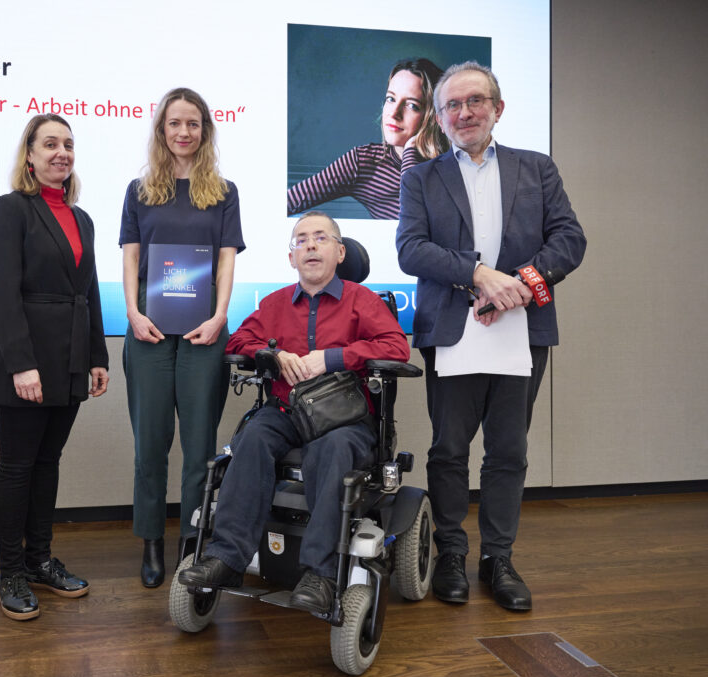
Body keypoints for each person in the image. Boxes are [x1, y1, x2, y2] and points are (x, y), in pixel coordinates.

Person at [395, 62, 587, 611]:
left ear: (497, 108)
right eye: (452, 105)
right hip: (452, 330)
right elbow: (411, 249)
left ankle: (498, 559)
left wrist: (521, 285)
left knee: (508, 451)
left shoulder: (537, 168)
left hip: (521, 332)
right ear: (439, 118)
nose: (464, 113)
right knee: (449, 450)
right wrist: (479, 274)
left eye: (475, 101)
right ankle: (452, 554)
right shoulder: (420, 178)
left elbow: (569, 239)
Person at [178, 212, 410, 611]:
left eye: (321, 238)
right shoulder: (275, 303)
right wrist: (274, 355)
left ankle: (321, 574)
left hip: (343, 418)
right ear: (292, 257)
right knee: (251, 438)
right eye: (301, 240)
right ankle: (227, 558)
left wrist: (333, 358)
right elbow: (240, 341)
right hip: (286, 410)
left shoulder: (363, 301)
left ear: (340, 252)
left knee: (331, 449)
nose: (310, 245)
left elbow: (396, 347)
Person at [0, 114, 110, 621]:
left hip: (71, 358)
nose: (62, 152)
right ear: (30, 155)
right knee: (17, 466)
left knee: (48, 462)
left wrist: (97, 356)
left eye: (69, 144)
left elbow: (89, 292)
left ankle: (39, 560)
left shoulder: (82, 219)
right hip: (27, 360)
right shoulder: (10, 209)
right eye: (50, 143)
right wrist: (21, 364)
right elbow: (2, 293)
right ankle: (10, 571)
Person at [120, 87, 245, 589]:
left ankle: (192, 541)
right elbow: (131, 257)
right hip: (147, 329)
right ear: (161, 129)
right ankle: (151, 540)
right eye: (174, 123)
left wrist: (220, 316)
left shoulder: (224, 192)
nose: (184, 132)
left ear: (204, 130)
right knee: (150, 445)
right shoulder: (139, 190)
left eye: (193, 123)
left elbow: (226, 261)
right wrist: (133, 313)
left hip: (204, 330)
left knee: (199, 448)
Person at [287, 58, 447, 220]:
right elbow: (286, 203)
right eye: (391, 99)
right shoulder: (364, 162)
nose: (394, 113)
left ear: (433, 117)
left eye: (412, 105)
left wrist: (410, 153)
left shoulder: (452, 168)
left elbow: (416, 222)